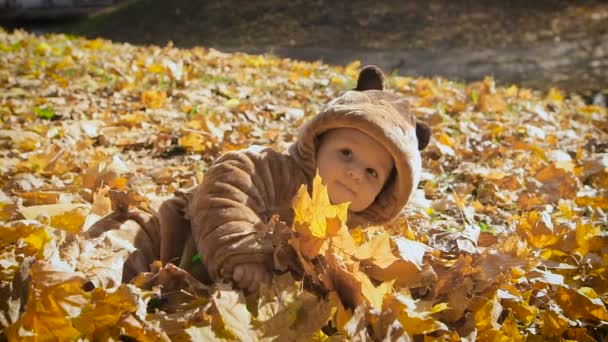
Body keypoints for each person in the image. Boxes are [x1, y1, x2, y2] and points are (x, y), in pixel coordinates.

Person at [86, 65, 431, 292]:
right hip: (176, 235)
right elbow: (227, 187)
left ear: (386, 194)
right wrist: (245, 254)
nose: (355, 172)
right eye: (346, 154)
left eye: (372, 172)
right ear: (317, 144)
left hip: (210, 288)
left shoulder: (355, 234)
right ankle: (82, 283)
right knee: (121, 247)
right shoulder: (276, 170)